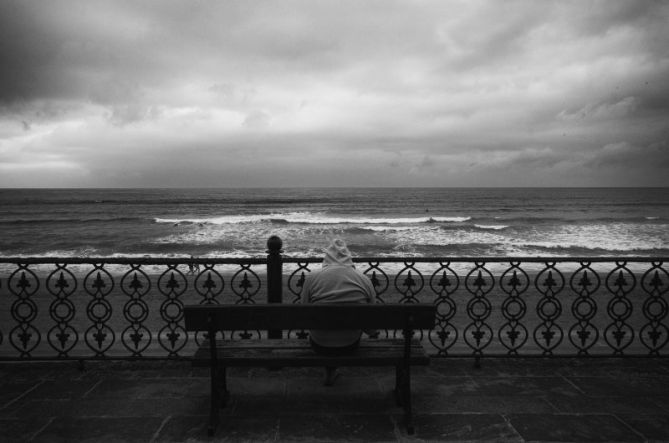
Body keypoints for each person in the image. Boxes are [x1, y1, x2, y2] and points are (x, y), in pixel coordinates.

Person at [300, 238, 377, 385]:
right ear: (349, 258)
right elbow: (371, 327)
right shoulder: (363, 279)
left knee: (327, 329)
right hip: (350, 345)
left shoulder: (312, 278)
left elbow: (304, 312)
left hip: (319, 344)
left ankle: (330, 371)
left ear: (327, 257)